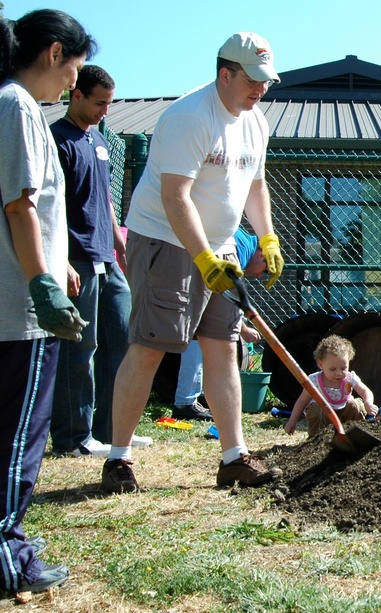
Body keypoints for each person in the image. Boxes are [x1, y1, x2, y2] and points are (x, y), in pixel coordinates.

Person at [101, 32, 286, 494]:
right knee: (150, 346)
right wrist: (203, 257)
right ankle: (118, 459)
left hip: (220, 244)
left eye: (266, 81)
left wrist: (267, 236)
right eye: (252, 80)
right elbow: (174, 196)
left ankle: (234, 457)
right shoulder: (189, 116)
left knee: (223, 346)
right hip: (167, 239)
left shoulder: (255, 121)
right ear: (225, 74)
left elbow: (256, 186)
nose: (260, 90)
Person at [0, 8, 94, 592]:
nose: (72, 85)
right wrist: (43, 285)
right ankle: (8, 554)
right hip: (20, 311)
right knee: (17, 434)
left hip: (15, 295)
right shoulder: (17, 106)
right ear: (55, 53)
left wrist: (54, 257)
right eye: (74, 70)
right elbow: (20, 205)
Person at [49, 64, 148, 457]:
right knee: (80, 345)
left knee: (122, 338)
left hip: (107, 256)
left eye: (109, 104)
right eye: (98, 103)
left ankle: (111, 430)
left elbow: (105, 196)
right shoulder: (57, 140)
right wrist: (63, 259)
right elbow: (49, 205)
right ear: (76, 95)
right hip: (76, 257)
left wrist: (119, 242)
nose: (104, 111)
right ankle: (73, 437)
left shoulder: (99, 141)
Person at [173, 227, 265, 420]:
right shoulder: (239, 251)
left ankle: (192, 399)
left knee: (199, 336)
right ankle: (186, 401)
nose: (260, 276)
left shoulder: (243, 244)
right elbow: (227, 299)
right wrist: (245, 330)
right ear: (261, 255)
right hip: (186, 267)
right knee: (197, 337)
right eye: (265, 271)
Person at [284, 334, 378, 437]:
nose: (339, 373)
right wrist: (292, 421)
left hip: (344, 414)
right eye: (332, 369)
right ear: (321, 365)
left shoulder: (350, 378)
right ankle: (316, 439)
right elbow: (302, 401)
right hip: (323, 416)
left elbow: (365, 391)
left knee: (356, 405)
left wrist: (368, 403)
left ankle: (355, 435)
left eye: (343, 368)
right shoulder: (314, 380)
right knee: (316, 408)